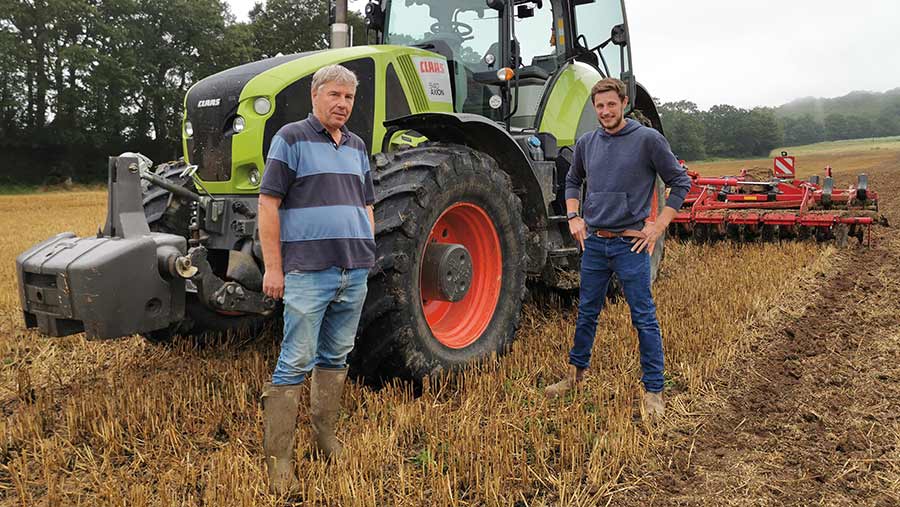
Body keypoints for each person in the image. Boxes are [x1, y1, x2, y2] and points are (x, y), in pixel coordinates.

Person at [257, 64, 375, 495]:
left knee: (337, 356)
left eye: (348, 97)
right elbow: (268, 204)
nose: (342, 103)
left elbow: (366, 202)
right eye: (335, 95)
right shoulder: (291, 138)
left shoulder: (358, 146)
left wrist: (367, 248)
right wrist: (274, 267)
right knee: (295, 360)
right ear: (315, 96)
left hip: (353, 269)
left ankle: (325, 437)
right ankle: (280, 461)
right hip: (308, 271)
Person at [544, 78, 691, 421]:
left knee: (643, 318)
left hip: (630, 245)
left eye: (611, 104)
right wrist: (573, 216)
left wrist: (658, 225)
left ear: (623, 103)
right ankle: (575, 376)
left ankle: (654, 391)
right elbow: (571, 180)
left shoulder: (647, 140)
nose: (606, 111)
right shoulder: (587, 143)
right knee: (587, 313)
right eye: (599, 106)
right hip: (595, 243)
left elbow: (680, 182)